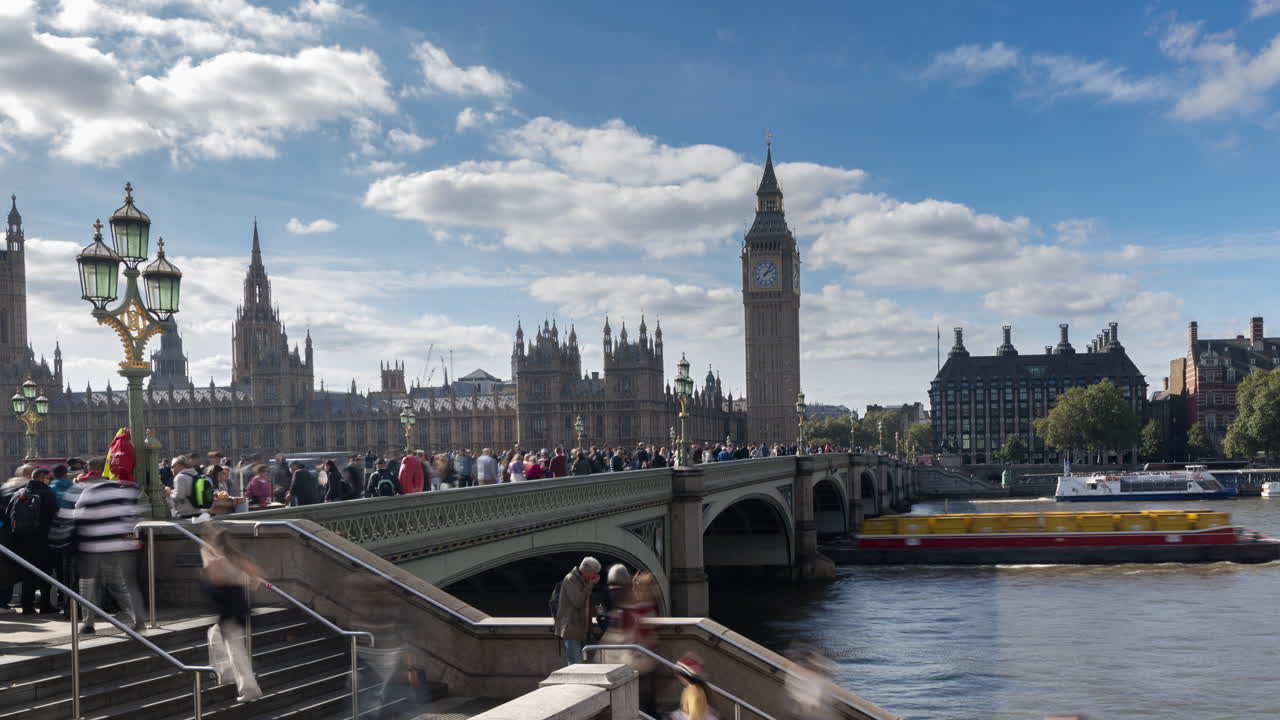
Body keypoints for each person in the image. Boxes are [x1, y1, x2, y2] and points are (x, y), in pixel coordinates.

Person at [74, 457, 145, 633]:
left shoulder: (88, 493)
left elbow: (78, 518)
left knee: (89, 585)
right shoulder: (123, 491)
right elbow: (133, 518)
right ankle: (139, 620)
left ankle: (89, 623)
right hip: (123, 546)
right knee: (126, 585)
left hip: (95, 547)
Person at [200, 524, 264, 703]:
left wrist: (210, 562)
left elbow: (217, 578)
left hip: (229, 609)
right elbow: (257, 577)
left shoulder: (217, 559)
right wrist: (244, 579)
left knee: (236, 650)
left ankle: (250, 688)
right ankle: (226, 673)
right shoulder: (236, 556)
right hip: (236, 607)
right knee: (214, 634)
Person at [6, 467, 58, 613]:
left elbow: (8, 513)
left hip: (21, 539)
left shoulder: (19, 493)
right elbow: (54, 515)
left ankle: (27, 605)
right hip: (42, 539)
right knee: (44, 573)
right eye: (48, 478)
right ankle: (45, 604)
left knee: (27, 573)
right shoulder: (47, 493)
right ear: (43, 478)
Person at [554, 556, 601, 666]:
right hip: (571, 629)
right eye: (594, 573)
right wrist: (590, 585)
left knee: (584, 665)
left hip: (583, 630)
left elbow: (585, 603)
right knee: (575, 664)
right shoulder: (570, 579)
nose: (595, 576)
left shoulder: (584, 580)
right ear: (586, 571)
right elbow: (578, 601)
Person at [672, 654, 712, 720]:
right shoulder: (692, 689)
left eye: (678, 674)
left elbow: (695, 716)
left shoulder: (694, 692)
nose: (677, 677)